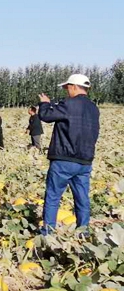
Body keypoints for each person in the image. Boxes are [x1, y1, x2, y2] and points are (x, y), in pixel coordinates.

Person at [39, 74, 101, 235]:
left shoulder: (68, 104)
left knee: (53, 196)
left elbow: (46, 116)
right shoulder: (94, 108)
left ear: (74, 86)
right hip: (85, 160)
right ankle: (84, 232)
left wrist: (44, 104)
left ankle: (48, 233)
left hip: (64, 159)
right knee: (82, 198)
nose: (67, 91)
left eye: (67, 87)